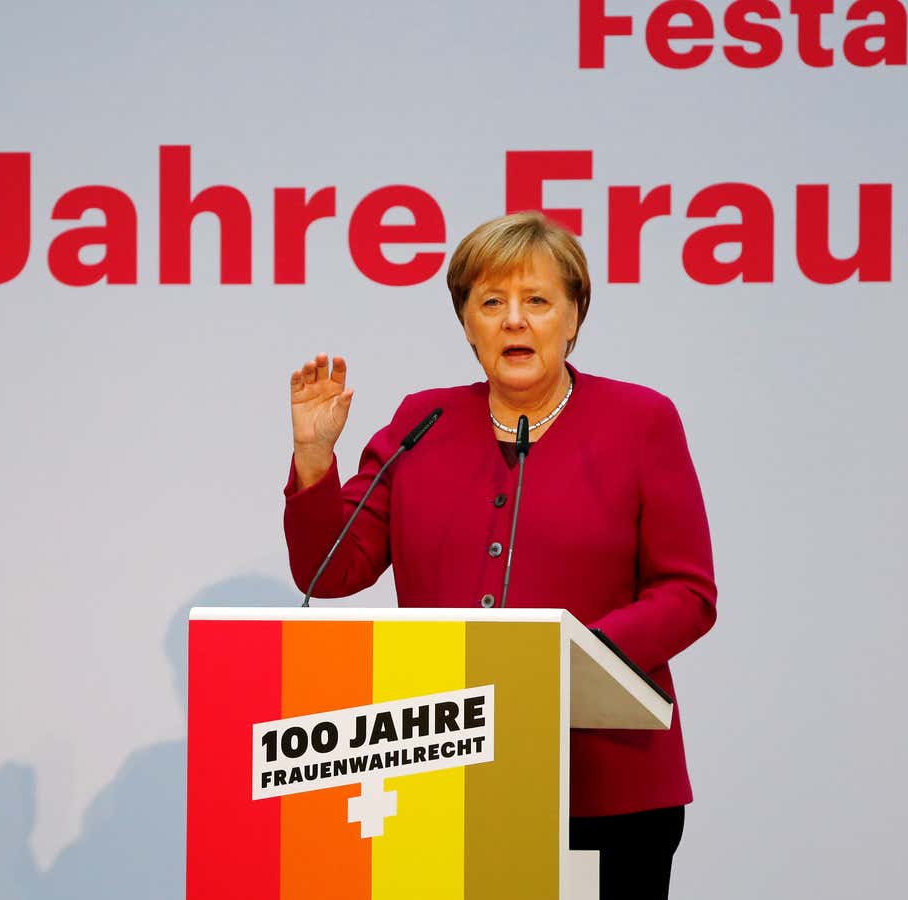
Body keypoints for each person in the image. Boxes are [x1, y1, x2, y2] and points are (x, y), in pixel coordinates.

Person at [283, 210, 718, 899]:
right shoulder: (420, 423)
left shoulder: (641, 421)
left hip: (609, 785)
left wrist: (570, 658)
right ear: (467, 323)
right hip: (444, 775)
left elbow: (687, 592)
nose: (514, 320)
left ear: (574, 317)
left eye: (537, 301)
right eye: (491, 303)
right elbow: (330, 569)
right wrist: (314, 457)